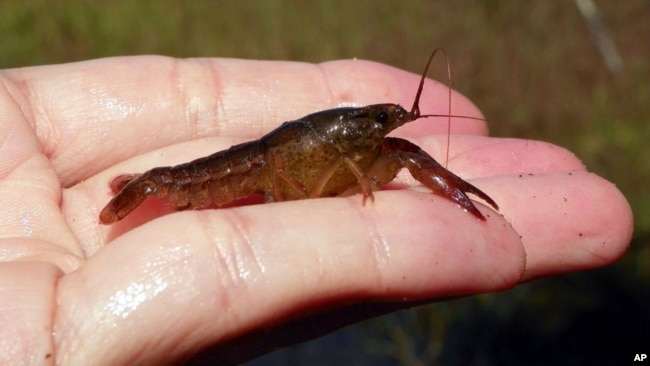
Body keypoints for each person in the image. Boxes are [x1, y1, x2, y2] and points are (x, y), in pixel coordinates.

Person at [0, 56, 633, 365]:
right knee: (391, 157)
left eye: (383, 122)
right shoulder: (366, 151)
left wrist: (377, 148)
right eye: (381, 122)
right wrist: (359, 169)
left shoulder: (377, 136)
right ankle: (148, 185)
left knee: (402, 151)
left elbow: (398, 147)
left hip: (268, 165)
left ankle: (145, 183)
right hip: (232, 172)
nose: (393, 127)